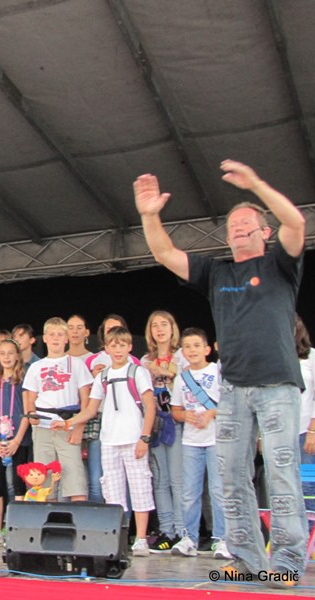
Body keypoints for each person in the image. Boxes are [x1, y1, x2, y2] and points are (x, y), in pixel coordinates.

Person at [134, 159, 307, 582]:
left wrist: (256, 185)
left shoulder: (279, 265)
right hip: (232, 388)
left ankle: (286, 563)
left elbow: (296, 222)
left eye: (247, 222)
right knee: (231, 477)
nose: (239, 228)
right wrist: (149, 215)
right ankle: (247, 559)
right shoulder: (217, 272)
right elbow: (164, 253)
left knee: (282, 475)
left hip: (278, 386)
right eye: (232, 225)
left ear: (265, 232)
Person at [55, 327, 156, 557]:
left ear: (130, 347)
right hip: (109, 439)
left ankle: (141, 538)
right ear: (106, 348)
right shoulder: (102, 376)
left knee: (140, 486)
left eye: (122, 345)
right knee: (112, 490)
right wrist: (68, 423)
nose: (118, 350)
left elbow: (150, 406)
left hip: (133, 437)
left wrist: (144, 437)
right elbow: (91, 409)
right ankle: (118, 537)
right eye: (113, 345)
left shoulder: (138, 372)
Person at [168, 328, 231, 560]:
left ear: (207, 349)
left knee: (218, 491)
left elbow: (231, 402)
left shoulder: (218, 371)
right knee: (190, 492)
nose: (192, 350)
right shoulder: (182, 378)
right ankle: (189, 538)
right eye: (187, 347)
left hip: (216, 439)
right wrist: (185, 416)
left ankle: (222, 539)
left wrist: (211, 413)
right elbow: (176, 410)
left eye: (196, 346)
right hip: (191, 441)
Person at [23, 317, 93, 502]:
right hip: (42, 427)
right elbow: (30, 399)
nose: (56, 338)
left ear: (67, 338)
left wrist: (79, 427)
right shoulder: (36, 367)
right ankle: (49, 517)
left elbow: (85, 399)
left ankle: (78, 517)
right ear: (44, 338)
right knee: (43, 480)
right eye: (52, 334)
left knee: (74, 478)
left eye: (60, 334)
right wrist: (32, 416)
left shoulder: (76, 364)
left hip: (68, 425)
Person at [142, 311, 187, 553]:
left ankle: (182, 530)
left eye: (164, 325)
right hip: (155, 423)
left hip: (177, 422)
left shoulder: (182, 357)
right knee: (160, 480)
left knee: (177, 480)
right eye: (155, 326)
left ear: (172, 328)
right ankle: (167, 530)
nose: (159, 330)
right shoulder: (144, 361)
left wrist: (168, 373)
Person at [84, 315, 141, 503]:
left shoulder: (135, 364)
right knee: (99, 478)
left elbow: (146, 401)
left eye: (118, 329)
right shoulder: (93, 360)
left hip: (130, 426)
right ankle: (101, 519)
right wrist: (93, 375)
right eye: (109, 330)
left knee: (132, 480)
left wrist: (145, 435)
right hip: (100, 421)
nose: (114, 334)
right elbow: (86, 397)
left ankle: (129, 521)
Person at [0, 338, 31, 546]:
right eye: (2, 353)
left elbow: (27, 412)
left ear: (17, 355)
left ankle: (17, 528)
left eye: (11, 353)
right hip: (0, 440)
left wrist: (17, 440)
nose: (7, 357)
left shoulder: (23, 380)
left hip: (19, 439)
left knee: (18, 484)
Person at [295, 315, 315, 511]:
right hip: (280, 433)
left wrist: (313, 431)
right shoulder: (274, 358)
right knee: (283, 485)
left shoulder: (311, 357)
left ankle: (310, 528)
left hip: (306, 433)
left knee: (307, 483)